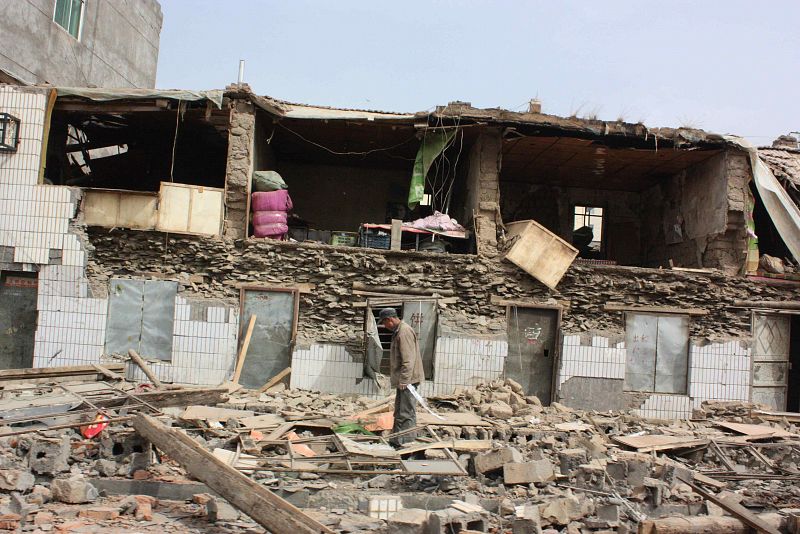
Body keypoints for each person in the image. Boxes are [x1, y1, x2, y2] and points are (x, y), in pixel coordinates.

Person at [378, 307, 424, 447]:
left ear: (390, 320)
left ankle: (407, 443)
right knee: (399, 411)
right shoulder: (399, 331)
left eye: (384, 323)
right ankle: (397, 440)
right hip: (404, 380)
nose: (385, 326)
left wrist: (404, 379)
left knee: (406, 412)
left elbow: (408, 359)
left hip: (408, 380)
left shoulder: (404, 332)